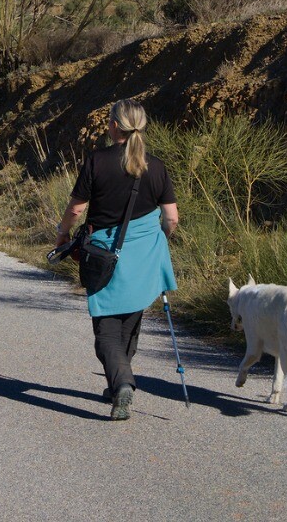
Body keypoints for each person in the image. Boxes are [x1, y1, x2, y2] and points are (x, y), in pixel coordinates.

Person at [53, 98, 179, 421]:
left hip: (103, 259)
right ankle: (118, 382)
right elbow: (172, 218)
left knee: (106, 333)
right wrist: (158, 242)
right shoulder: (157, 166)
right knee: (128, 322)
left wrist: (62, 234)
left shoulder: (97, 161)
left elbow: (77, 209)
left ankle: (122, 382)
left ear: (113, 126)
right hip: (143, 260)